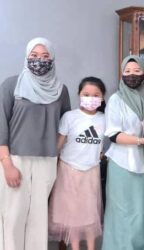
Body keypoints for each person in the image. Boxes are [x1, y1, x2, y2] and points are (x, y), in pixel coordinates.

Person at [0, 37, 71, 250]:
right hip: (15, 159)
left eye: (45, 56)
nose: (39, 60)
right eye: (34, 56)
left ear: (53, 59)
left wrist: (55, 152)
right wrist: (7, 163)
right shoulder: (11, 85)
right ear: (27, 57)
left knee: (39, 217)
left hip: (47, 161)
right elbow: (1, 124)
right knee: (13, 215)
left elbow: (66, 126)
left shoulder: (61, 90)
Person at [101, 55, 144, 250]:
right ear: (121, 74)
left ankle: (142, 246)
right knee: (123, 210)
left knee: (143, 209)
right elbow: (113, 134)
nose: (132, 75)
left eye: (137, 71)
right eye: (127, 71)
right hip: (123, 161)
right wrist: (141, 140)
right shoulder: (116, 99)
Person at [48, 77, 106, 250]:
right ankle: (74, 247)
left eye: (96, 95)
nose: (91, 98)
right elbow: (58, 145)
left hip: (91, 171)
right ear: (79, 95)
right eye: (86, 94)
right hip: (69, 171)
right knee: (72, 215)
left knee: (89, 215)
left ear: (102, 98)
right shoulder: (69, 117)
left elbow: (106, 143)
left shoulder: (104, 118)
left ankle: (91, 247)